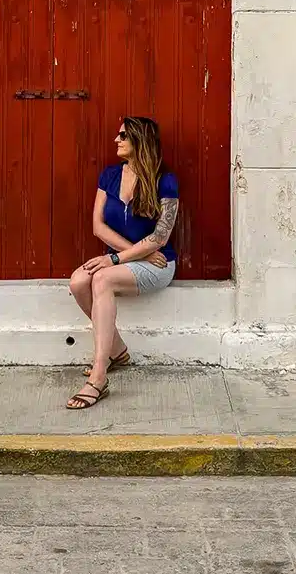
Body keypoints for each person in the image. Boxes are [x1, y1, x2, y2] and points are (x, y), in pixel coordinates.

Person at [65, 115, 179, 410]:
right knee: (78, 282)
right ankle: (118, 350)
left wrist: (116, 258)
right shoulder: (110, 176)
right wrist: (129, 254)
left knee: (102, 279)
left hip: (158, 265)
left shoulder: (165, 180)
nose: (117, 140)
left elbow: (160, 239)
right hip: (129, 258)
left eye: (123, 135)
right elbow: (98, 227)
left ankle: (99, 376)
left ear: (140, 140)